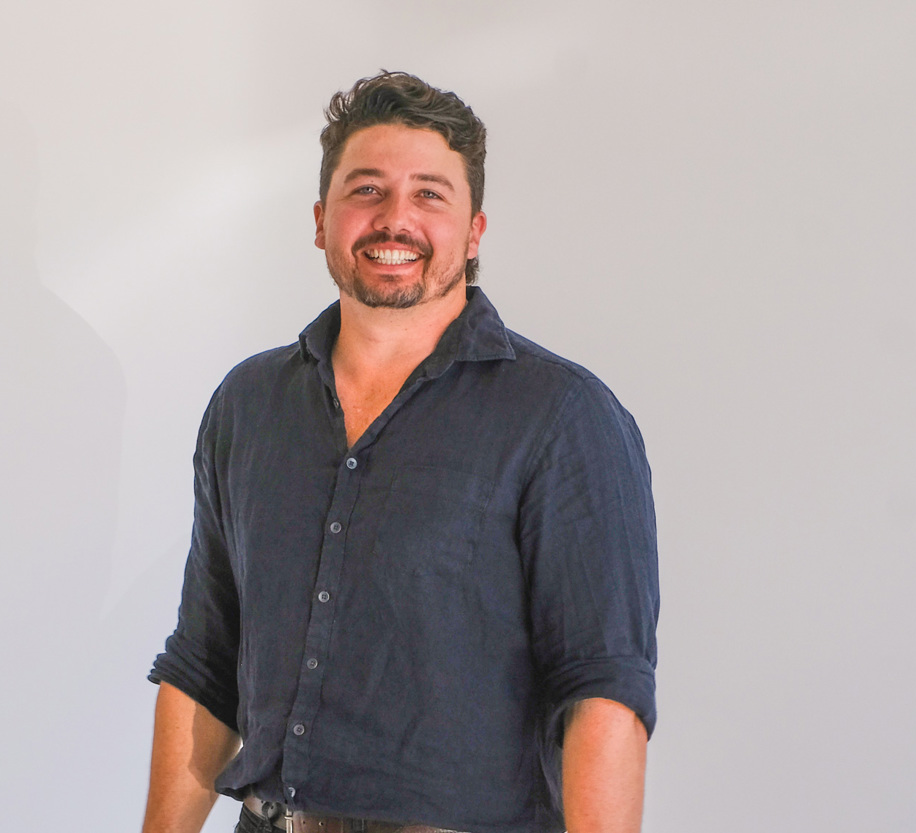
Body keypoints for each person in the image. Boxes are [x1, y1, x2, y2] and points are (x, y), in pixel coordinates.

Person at [142, 71, 659, 833]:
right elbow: (204, 666)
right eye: (367, 190)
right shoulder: (247, 407)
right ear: (321, 220)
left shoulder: (562, 418)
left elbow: (602, 692)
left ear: (474, 228)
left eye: (429, 194)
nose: (395, 219)